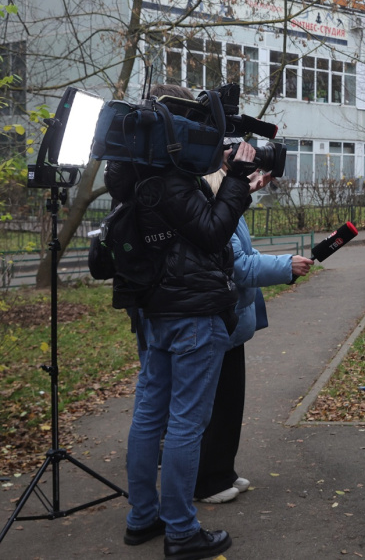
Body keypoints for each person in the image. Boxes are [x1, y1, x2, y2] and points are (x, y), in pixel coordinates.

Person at [107, 94, 257, 559]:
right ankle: (181, 531)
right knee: (187, 424)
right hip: (192, 316)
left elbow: (189, 230)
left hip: (157, 316)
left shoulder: (138, 181)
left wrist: (222, 178)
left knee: (150, 418)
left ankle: (142, 517)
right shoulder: (172, 184)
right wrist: (235, 181)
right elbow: (213, 232)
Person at [194, 162, 313, 503]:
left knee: (230, 404)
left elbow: (245, 254)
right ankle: (209, 480)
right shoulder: (216, 213)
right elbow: (238, 264)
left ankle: (222, 471)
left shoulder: (227, 211)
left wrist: (281, 263)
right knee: (216, 407)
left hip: (232, 324)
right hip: (222, 320)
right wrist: (284, 266)